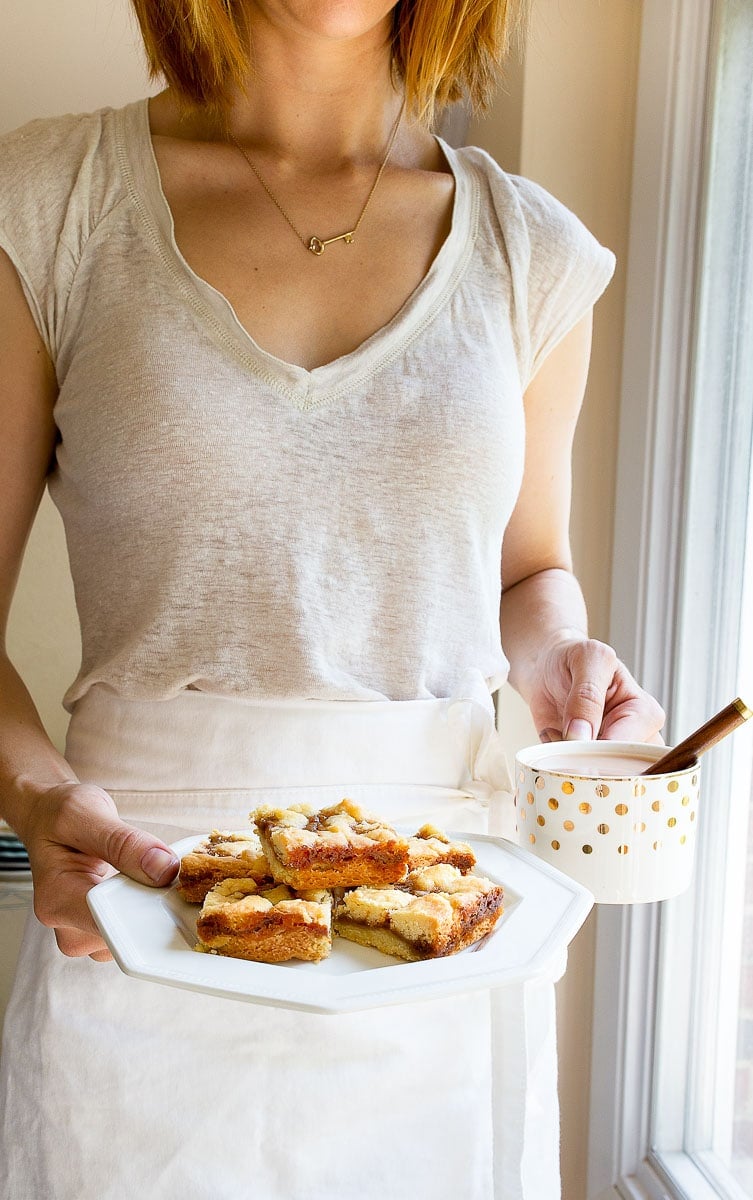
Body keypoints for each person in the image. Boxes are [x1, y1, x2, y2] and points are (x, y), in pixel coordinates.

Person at [0, 1, 665, 1197]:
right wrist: (38, 793)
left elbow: (526, 568)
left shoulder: (532, 250)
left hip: (447, 921)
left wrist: (560, 650)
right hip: (145, 912)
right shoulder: (49, 199)